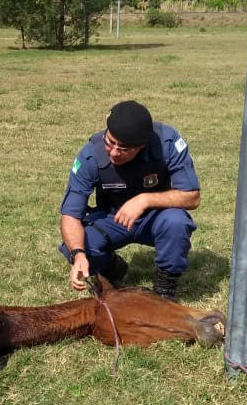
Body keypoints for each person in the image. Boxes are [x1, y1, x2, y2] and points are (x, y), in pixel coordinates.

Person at [59, 100, 201, 301]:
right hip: (112, 217)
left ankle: (164, 290)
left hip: (157, 216)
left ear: (142, 146)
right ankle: (111, 268)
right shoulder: (90, 155)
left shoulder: (167, 143)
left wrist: (144, 200)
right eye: (110, 142)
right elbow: (70, 214)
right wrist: (79, 254)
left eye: (124, 148)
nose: (114, 152)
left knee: (177, 222)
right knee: (74, 243)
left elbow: (193, 196)